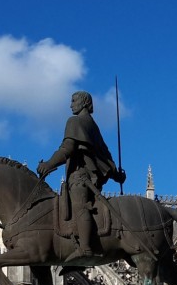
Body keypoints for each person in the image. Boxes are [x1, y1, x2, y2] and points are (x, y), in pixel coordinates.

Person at [37, 91, 126, 258]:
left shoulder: (75, 121)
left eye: (73, 101)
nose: (70, 105)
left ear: (84, 102)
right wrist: (116, 175)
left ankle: (85, 248)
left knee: (80, 206)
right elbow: (104, 155)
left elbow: (67, 149)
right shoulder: (93, 126)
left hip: (81, 176)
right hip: (91, 178)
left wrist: (49, 164)